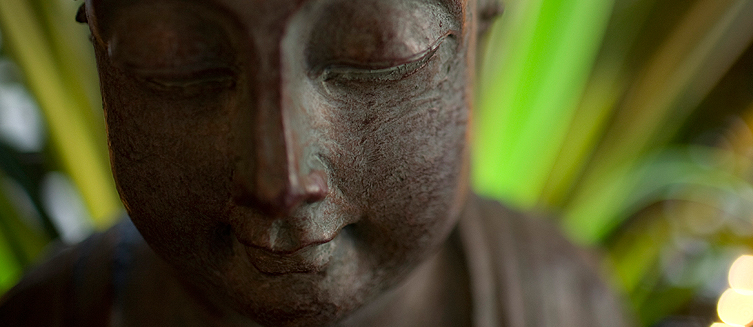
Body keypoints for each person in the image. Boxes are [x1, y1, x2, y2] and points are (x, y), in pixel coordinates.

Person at [0, 0, 629, 326]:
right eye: (178, 65)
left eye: (375, 57)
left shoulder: (560, 303)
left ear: (478, 27)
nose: (280, 180)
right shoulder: (54, 317)